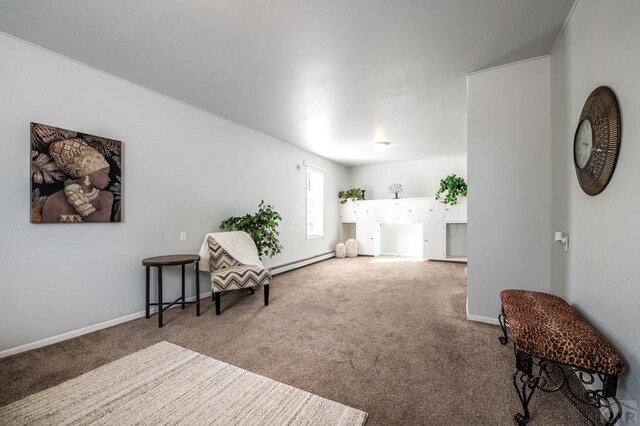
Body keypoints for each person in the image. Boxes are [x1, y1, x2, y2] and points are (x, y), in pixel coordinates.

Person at [41, 138, 113, 223]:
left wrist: (74, 197)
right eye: (103, 173)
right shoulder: (54, 199)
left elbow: (101, 222)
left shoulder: (106, 197)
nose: (109, 179)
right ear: (87, 174)